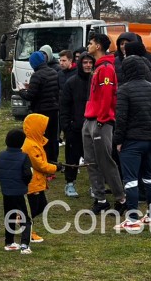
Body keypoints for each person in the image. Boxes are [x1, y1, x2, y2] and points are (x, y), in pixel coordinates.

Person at [113, 56, 151, 230]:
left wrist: (118, 140)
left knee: (130, 180)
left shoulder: (124, 90)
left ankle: (132, 218)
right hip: (149, 140)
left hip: (131, 141)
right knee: (149, 178)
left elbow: (121, 118)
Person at [82, 33, 125, 214]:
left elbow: (107, 97)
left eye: (90, 43)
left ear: (98, 46)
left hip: (101, 122)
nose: (88, 46)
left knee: (105, 161)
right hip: (90, 120)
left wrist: (102, 120)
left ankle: (121, 198)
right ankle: (100, 199)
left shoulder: (106, 68)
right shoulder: (98, 67)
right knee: (91, 162)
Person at [0, 129, 34, 254]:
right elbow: (28, 174)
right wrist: (24, 183)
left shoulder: (1, 155)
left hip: (6, 191)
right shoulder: (24, 157)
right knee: (26, 218)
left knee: (9, 216)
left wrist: (4, 180)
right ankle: (25, 245)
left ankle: (9, 242)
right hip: (20, 192)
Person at [60, 52, 94, 198]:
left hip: (93, 126)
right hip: (75, 127)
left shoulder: (96, 80)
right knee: (72, 157)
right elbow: (64, 106)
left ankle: (95, 185)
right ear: (80, 64)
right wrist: (67, 126)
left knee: (93, 158)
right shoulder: (72, 82)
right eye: (85, 62)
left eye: (90, 63)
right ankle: (70, 183)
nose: (88, 65)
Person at [22, 113, 60, 244]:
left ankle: (22, 222)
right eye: (42, 127)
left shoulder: (36, 142)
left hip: (38, 183)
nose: (44, 130)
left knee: (41, 205)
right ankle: (26, 230)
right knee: (32, 209)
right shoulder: (30, 146)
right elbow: (40, 165)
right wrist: (55, 168)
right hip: (32, 185)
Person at [19, 50, 60, 163]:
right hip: (54, 109)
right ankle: (54, 160)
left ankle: (44, 160)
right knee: (53, 137)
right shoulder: (53, 72)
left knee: (41, 137)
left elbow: (30, 95)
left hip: (41, 111)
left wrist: (22, 90)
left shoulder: (36, 75)